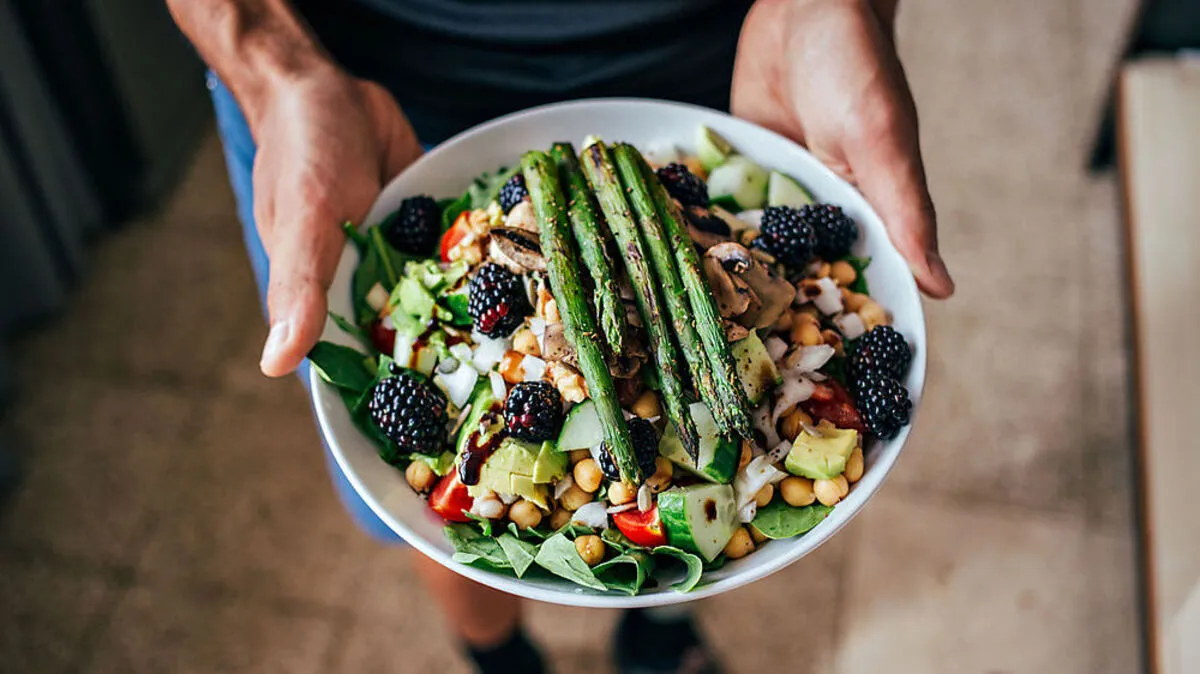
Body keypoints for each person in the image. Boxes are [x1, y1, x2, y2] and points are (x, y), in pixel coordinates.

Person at [167, 1, 954, 672]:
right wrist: (271, 68)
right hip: (357, 86)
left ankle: (660, 635)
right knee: (428, 528)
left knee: (717, 536)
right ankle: (500, 657)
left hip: (730, 66)